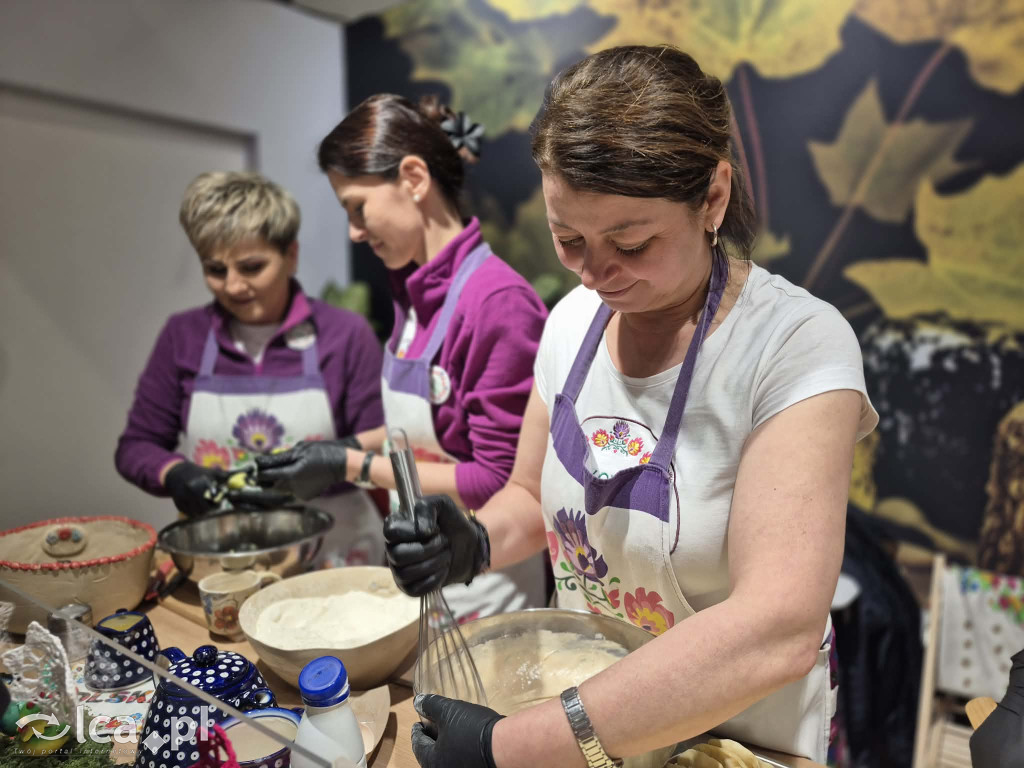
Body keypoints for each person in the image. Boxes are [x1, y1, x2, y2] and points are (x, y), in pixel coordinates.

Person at [384, 45, 880, 768]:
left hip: (731, 737)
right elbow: (530, 495)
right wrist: (473, 541)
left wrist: (508, 746)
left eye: (632, 242)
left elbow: (778, 626)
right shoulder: (568, 324)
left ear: (712, 199)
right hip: (585, 715)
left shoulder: (795, 346)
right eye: (569, 240)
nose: (596, 273)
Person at [255, 95, 548, 621]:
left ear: (413, 178)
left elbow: (495, 480)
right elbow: (418, 437)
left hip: (487, 588)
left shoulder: (495, 303)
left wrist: (350, 465)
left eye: (356, 207)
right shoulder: (413, 296)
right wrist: (338, 447)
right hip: (424, 577)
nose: (354, 232)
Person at [115, 171, 387, 566]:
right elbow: (136, 445)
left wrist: (325, 468)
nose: (234, 286)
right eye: (216, 270)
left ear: (290, 255)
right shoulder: (183, 336)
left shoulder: (344, 335)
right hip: (223, 555)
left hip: (334, 552)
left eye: (252, 266)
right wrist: (174, 473)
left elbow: (380, 448)